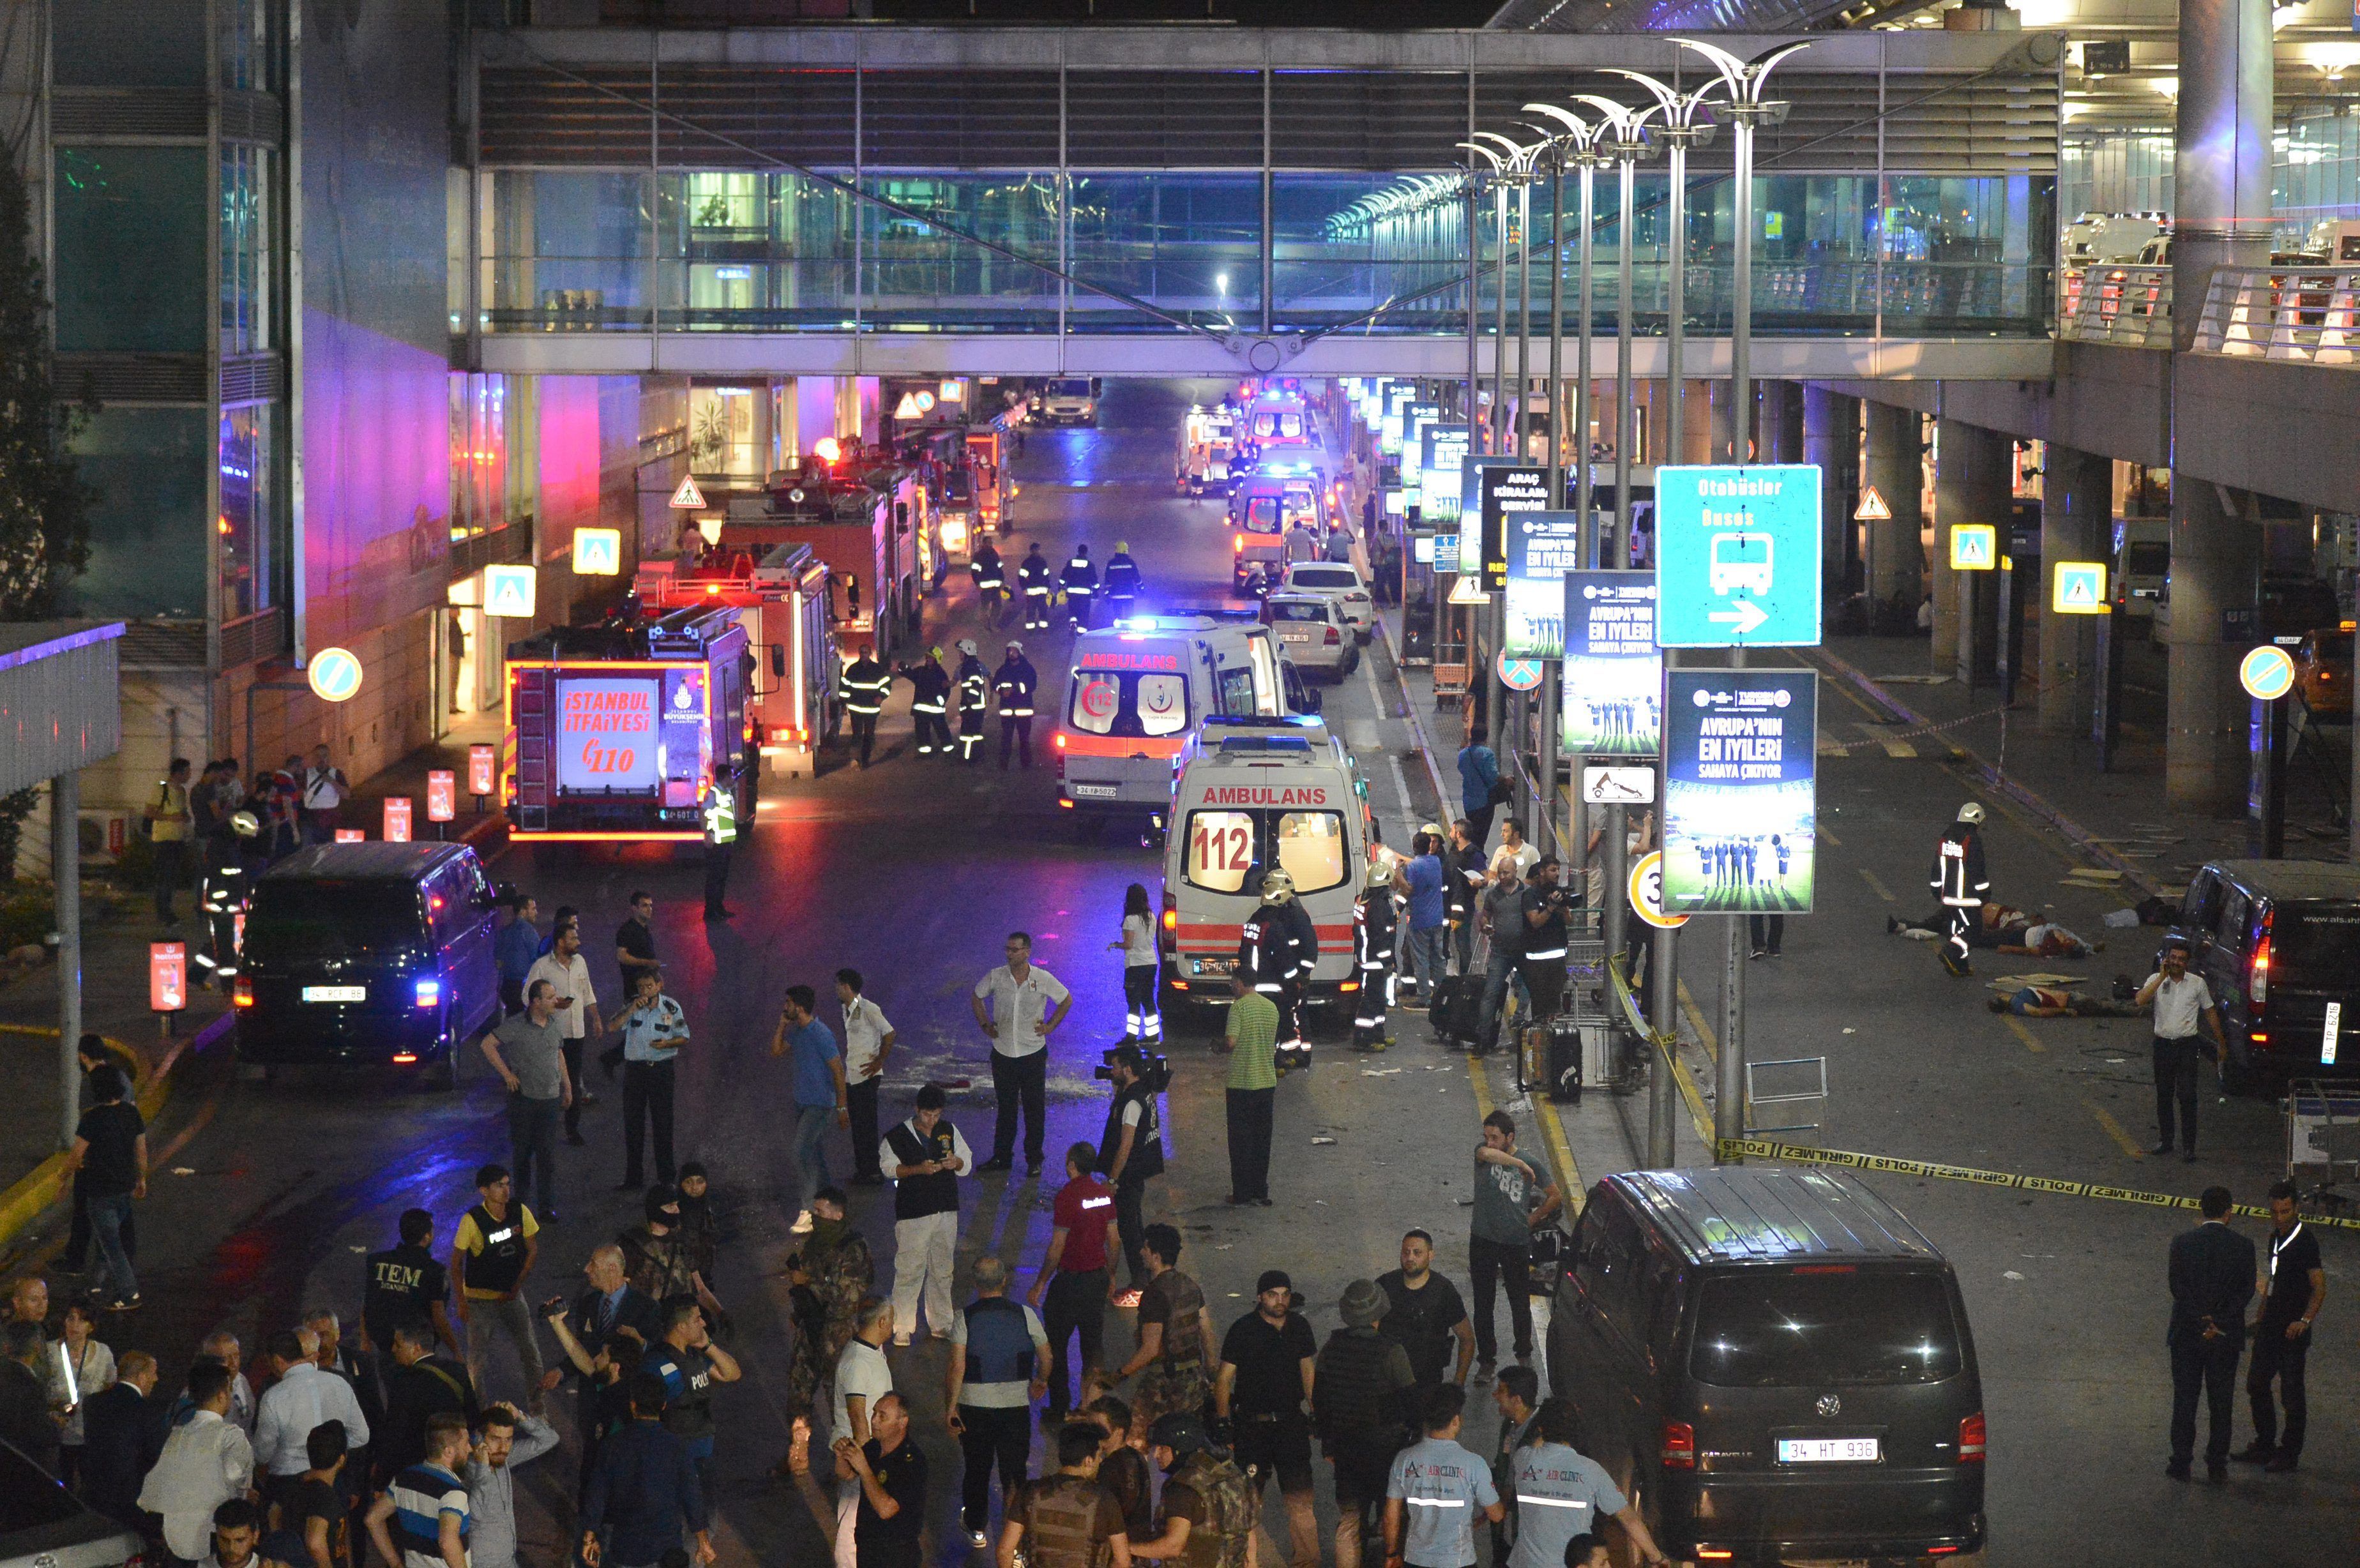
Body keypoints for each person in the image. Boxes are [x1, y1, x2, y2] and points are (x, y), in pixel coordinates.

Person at [1216, 1270, 1319, 1568]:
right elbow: (1224, 1379)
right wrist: (1225, 1423)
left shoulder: (1299, 1326)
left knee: (1301, 1505)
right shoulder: (1243, 1330)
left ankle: (1308, 1563)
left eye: (1285, 1295)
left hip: (1290, 1424)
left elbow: (1307, 1371)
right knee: (1249, 1506)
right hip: (1253, 1427)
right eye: (1273, 1295)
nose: (1280, 1301)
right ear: (1260, 1297)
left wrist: (1316, 1412)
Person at [1313, 1280, 1418, 1568]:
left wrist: (1328, 1443)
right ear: (1379, 1312)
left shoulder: (1330, 1349)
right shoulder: (1392, 1351)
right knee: (1391, 1514)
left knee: (1350, 1521)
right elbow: (1411, 1403)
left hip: (1346, 1448)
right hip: (1387, 1450)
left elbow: (1320, 1401)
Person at [948, 1256, 1048, 1547]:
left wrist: (951, 1408)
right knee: (1014, 1472)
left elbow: (957, 1367)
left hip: (974, 1406)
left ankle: (977, 1527)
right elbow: (1047, 1357)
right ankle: (1014, 1538)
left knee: (977, 1467)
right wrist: (1040, 1380)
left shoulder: (964, 1318)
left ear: (976, 1283)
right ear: (1004, 1281)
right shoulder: (1026, 1315)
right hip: (1015, 1406)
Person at [1505, 1399, 1669, 1568]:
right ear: (1575, 1430)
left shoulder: (1523, 1459)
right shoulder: (1591, 1470)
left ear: (1540, 1429)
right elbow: (1628, 1518)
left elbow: (1537, 1444)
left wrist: (1546, 1427)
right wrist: (1656, 1557)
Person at [2237, 1178, 2326, 1474]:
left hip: (2292, 1332)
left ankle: (2289, 1454)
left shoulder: (2306, 1243)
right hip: (2271, 1327)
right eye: (2275, 1212)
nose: (2279, 1218)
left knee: (2291, 1395)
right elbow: (2274, 1283)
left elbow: (2319, 1287)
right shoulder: (2275, 1238)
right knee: (2257, 1384)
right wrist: (2262, 1315)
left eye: (2285, 1211)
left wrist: (2304, 1321)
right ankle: (2265, 1444)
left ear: (2297, 1209)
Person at [2167, 1186, 2255, 1481]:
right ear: (2229, 1212)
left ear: (2201, 1209)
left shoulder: (2182, 1243)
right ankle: (2217, 1464)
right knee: (2221, 1402)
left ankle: (2181, 1462)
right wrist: (2219, 1322)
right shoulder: (2244, 1247)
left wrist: (2200, 1319)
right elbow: (2245, 1292)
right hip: (2224, 1337)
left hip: (2187, 1335)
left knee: (2185, 1400)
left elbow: (2178, 1288)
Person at [579, 1375, 713, 1568]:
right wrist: (703, 1542)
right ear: (664, 1406)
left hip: (627, 1547)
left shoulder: (613, 1446)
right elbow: (692, 1493)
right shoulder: (676, 1446)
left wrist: (589, 1537)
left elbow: (597, 1494)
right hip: (667, 1549)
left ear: (633, 1406)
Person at [972, 931, 1072, 1175]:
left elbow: (1066, 1000)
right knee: (1006, 1110)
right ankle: (1002, 1157)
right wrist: (985, 1024)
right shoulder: (997, 977)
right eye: (1007, 949)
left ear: (1027, 952)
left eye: (1014, 950)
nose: (1009, 954)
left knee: (1034, 1110)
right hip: (1004, 1053)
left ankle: (1034, 1159)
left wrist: (1050, 1026)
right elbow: (977, 997)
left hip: (1032, 1054)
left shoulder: (1042, 978)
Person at [450, 1164, 547, 1415]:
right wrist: (461, 1302)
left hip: (511, 1296)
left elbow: (532, 1249)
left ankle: (538, 1412)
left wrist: (516, 1287)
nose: (506, 1191)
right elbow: (456, 1263)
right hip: (479, 1300)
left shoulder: (519, 1211)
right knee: (477, 1363)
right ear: (484, 1191)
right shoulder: (472, 1221)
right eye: (499, 1186)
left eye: (507, 1184)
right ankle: (479, 1416)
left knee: (531, 1353)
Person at [1029, 1141, 1114, 1424]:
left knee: (1056, 1345)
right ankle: (1092, 1405)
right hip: (1096, 1280)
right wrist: (1110, 1275)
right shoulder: (1104, 1195)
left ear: (1072, 1165)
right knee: (1092, 1346)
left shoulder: (1067, 1197)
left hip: (1069, 1284)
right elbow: (1114, 1240)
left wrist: (1041, 1282)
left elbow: (1057, 1246)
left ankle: (1060, 1408)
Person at [879, 1083, 970, 1345]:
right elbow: (888, 1169)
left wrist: (957, 1163)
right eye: (928, 1115)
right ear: (917, 1110)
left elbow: (967, 1160)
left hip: (946, 1211)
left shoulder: (949, 1130)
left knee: (943, 1269)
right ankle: (903, 1327)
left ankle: (942, 1323)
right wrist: (918, 1169)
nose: (932, 1121)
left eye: (937, 1115)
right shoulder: (896, 1137)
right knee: (909, 1270)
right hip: (914, 1213)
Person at [140, 1361, 255, 1566]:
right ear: (222, 1395)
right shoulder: (230, 1436)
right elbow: (233, 1477)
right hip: (217, 1537)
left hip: (175, 1536)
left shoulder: (177, 1435)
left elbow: (157, 1486)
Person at [1382, 1385, 1502, 1568]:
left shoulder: (1404, 1460)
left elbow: (1391, 1516)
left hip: (1415, 1559)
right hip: (1459, 1560)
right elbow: (1497, 1515)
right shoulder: (1474, 1464)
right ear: (1455, 1421)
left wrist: (1391, 1553)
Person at [1114, 1225, 1214, 1435]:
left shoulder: (1154, 1294)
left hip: (1165, 1384)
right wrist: (1211, 1375)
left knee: (1134, 1441)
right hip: (1194, 1383)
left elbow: (1151, 1349)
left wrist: (1120, 1374)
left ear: (1156, 1256)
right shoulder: (1190, 1285)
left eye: (1145, 1248)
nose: (1141, 1253)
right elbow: (1206, 1332)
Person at [996, 1421, 1133, 1568]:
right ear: (1088, 1461)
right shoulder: (1105, 1500)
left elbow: (1005, 1551)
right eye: (1099, 1455)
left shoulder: (1030, 1492)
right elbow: (1122, 1560)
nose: (1100, 1461)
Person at [254, 1329, 370, 1501]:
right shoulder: (339, 1384)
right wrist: (330, 1451)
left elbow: (263, 1453)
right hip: (333, 1480)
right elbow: (362, 1436)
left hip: (289, 1486)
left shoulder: (274, 1396)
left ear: (277, 1361)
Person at [783, 1189, 872, 1417]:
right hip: (809, 1326)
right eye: (815, 1211)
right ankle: (798, 1447)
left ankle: (842, 1448)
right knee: (798, 1392)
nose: (815, 1216)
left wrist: (808, 1281)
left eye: (820, 1211)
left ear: (838, 1215)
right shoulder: (816, 1243)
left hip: (836, 1333)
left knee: (839, 1398)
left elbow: (847, 1299)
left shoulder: (852, 1248)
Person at [2137, 938, 2225, 1161]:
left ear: (2188, 963)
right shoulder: (2156, 980)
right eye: (2173, 958)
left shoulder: (2197, 984)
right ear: (2167, 959)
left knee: (2187, 1096)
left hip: (2187, 1046)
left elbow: (2210, 1012)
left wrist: (2221, 1042)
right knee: (2164, 1095)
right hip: (2163, 1045)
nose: (2176, 962)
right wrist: (2160, 977)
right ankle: (2166, 1141)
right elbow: (2140, 1000)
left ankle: (2189, 1147)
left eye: (2181, 959)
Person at [640, 1299, 741, 1491]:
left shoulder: (695, 1356)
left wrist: (709, 1346)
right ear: (681, 1326)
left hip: (702, 1450)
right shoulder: (656, 1363)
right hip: (672, 1456)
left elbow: (732, 1374)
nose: (703, 1323)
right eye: (697, 1319)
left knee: (704, 1513)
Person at [67, 1064, 144, 1311]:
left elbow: (76, 1154)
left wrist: (63, 1177)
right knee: (106, 1238)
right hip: (125, 1188)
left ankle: (130, 1293)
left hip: (100, 1192)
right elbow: (141, 1151)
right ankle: (96, 1284)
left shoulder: (92, 1118)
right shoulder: (132, 1114)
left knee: (111, 1244)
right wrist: (142, 1179)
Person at [1132, 1412, 1254, 1568]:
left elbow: (1172, 1547)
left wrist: (1125, 1549)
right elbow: (1249, 1534)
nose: (1156, 1455)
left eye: (1163, 1448)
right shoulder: (1230, 1477)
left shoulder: (1183, 1488)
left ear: (1180, 1448)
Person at [771, 985, 846, 1235]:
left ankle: (808, 1211)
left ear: (799, 1007)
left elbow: (837, 1070)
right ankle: (830, 1203)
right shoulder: (798, 1031)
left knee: (801, 1151)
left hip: (820, 1105)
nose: (785, 1007)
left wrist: (842, 1107)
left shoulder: (821, 1034)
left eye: (788, 1003)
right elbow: (777, 1051)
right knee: (814, 1155)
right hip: (802, 1104)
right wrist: (782, 1025)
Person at [523, 921, 600, 1152]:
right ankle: (543, 1129)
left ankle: (572, 1129)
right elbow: (527, 996)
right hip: (550, 1034)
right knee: (549, 1082)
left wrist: (595, 1018)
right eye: (573, 938)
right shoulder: (542, 966)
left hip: (576, 1033)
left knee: (573, 1081)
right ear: (560, 942)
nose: (578, 942)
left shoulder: (580, 963)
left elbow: (587, 992)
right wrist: (553, 1005)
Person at [830, 1300, 896, 1568]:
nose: (894, 1324)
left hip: (865, 1454)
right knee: (852, 1522)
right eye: (891, 1319)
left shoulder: (873, 1351)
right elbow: (858, 1416)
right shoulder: (857, 1362)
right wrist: (870, 1462)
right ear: (881, 1322)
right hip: (857, 1454)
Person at [375, 1319, 478, 1488]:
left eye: (398, 1345)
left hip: (417, 1469)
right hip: (454, 1464)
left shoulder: (403, 1381)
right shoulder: (457, 1371)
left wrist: (383, 1477)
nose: (393, 1350)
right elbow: (473, 1417)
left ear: (416, 1348)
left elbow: (395, 1433)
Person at [1098, 1043, 1166, 1286]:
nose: (1111, 1071)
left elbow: (1124, 1146)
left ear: (1127, 1069)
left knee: (1129, 1230)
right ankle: (1144, 1277)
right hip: (1139, 1170)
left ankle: (1140, 1282)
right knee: (1134, 1223)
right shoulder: (1141, 1091)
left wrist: (1113, 1180)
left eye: (1115, 1067)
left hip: (1128, 1174)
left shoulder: (1132, 1103)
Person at [835, 1390, 927, 1568]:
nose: (874, 1420)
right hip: (868, 1547)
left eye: (882, 1416)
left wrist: (865, 1469)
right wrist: (841, 1457)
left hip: (895, 1555)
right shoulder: (874, 1447)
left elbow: (886, 1509)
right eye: (875, 1413)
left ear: (902, 1422)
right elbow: (846, 1474)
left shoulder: (912, 1463)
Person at [616, 969, 688, 1191]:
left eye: (649, 986)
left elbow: (683, 1036)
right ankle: (633, 1178)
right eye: (641, 987)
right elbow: (613, 1026)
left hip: (661, 1071)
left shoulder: (671, 1008)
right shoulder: (632, 1006)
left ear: (659, 985)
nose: (645, 991)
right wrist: (630, 1010)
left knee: (663, 1124)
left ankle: (666, 1177)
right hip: (636, 1071)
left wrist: (666, 1044)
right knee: (633, 1125)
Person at [1378, 1229, 1474, 1394]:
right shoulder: (1385, 1285)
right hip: (1388, 1383)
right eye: (1406, 1252)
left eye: (1417, 1253)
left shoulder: (1444, 1291)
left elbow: (1467, 1339)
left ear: (1431, 1256)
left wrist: (1457, 1386)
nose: (1410, 1258)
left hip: (1428, 1383)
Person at [461, 1404, 556, 1568]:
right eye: (495, 1439)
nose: (503, 1447)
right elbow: (477, 1513)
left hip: (508, 1560)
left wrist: (519, 1416)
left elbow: (550, 1439)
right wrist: (483, 1466)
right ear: (479, 1437)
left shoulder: (502, 1459)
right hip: (483, 1564)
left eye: (508, 1439)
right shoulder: (470, 1469)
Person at [80, 1348, 167, 1526]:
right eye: (153, 1373)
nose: (156, 1379)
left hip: (94, 1493)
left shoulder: (93, 1403)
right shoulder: (148, 1411)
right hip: (129, 1498)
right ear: (141, 1377)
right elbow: (155, 1456)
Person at [1239, 870, 1317, 1063]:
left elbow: (1243, 952)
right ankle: (1291, 1056)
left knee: (1274, 1022)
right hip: (1276, 983)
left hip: (1254, 983)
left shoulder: (1254, 920)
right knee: (1286, 1019)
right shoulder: (1275, 925)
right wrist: (1297, 979)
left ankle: (1288, 1054)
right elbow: (1284, 957)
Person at [363, 1210, 457, 1362]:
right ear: (427, 1237)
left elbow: (368, 1304)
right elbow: (438, 1316)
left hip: (383, 1345)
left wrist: (365, 1342)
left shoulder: (376, 1261)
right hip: (416, 1349)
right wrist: (456, 1351)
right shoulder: (435, 1271)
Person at [837, 970, 896, 1186]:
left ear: (846, 987)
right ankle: (864, 1170)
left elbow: (889, 1033)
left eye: (838, 986)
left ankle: (871, 1172)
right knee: (860, 1126)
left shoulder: (869, 1009)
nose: (836, 990)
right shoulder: (847, 1010)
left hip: (867, 1077)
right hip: (854, 1076)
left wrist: (879, 1061)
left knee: (867, 1126)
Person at [1082, 1396, 1155, 1546]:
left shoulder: (1113, 1468)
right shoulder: (1136, 1457)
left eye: (1100, 1429)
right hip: (1135, 1546)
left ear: (1119, 1432)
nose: (1093, 1434)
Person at [1928, 802, 1990, 977]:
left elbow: (1937, 866)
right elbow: (1978, 869)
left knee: (1958, 927)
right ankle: (1952, 952)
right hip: (1967, 897)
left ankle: (1961, 963)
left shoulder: (1946, 836)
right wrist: (1985, 893)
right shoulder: (1972, 840)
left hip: (1947, 895)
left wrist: (1936, 888)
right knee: (1973, 930)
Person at [283, 1422, 350, 1568]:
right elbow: (314, 1542)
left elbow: (274, 1514)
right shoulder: (326, 1498)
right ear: (341, 1459)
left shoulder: (295, 1482)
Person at [1352, 861, 1400, 1052]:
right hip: (1376, 961)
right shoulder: (1378, 905)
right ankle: (1364, 1038)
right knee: (1371, 1000)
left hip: (1368, 958)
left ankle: (1378, 1032)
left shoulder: (1364, 899)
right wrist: (1388, 961)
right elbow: (1381, 936)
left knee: (1377, 999)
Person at [0, 1321, 55, 1474]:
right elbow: (38, 1433)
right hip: (23, 1465)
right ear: (37, 1347)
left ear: (6, 1347)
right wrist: (57, 1426)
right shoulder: (31, 1385)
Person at [1400, 834, 1448, 1008]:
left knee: (1421, 960)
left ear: (1414, 846)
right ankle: (1441, 995)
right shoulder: (1435, 862)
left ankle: (1424, 998)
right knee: (1438, 958)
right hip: (1437, 918)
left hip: (1419, 919)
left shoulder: (1413, 867)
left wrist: (1398, 873)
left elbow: (1408, 889)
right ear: (1429, 846)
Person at [146, 757, 194, 924]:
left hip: (178, 839)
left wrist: (185, 818)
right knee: (165, 878)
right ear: (179, 773)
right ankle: (164, 914)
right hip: (163, 840)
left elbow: (182, 811)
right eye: (188, 772)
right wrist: (172, 818)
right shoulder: (162, 788)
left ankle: (168, 910)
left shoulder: (181, 791)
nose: (190, 775)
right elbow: (150, 812)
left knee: (172, 878)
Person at [1113, 884, 1163, 1044]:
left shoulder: (1130, 919)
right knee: (1148, 998)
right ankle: (1153, 1035)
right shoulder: (1151, 917)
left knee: (1133, 1001)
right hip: (1151, 963)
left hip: (1135, 965)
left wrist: (1115, 945)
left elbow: (1128, 944)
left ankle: (1131, 1037)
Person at [897, 647, 955, 758]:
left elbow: (946, 690)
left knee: (941, 729)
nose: (928, 659)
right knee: (922, 732)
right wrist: (903, 669)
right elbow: (910, 674)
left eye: (931, 657)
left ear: (937, 659)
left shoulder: (941, 674)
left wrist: (940, 701)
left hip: (935, 709)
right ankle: (925, 752)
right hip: (921, 710)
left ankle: (948, 749)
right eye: (927, 657)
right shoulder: (921, 671)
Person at [994, 640, 1040, 770]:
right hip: (1007, 711)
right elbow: (995, 684)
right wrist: (1001, 691)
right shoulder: (1003, 670)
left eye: (1014, 651)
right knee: (1006, 739)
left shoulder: (1027, 669)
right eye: (1009, 651)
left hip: (1023, 711)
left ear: (1020, 652)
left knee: (1024, 739)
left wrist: (1015, 690)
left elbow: (1032, 685)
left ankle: (1026, 764)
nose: (1012, 653)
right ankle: (1003, 764)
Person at [842, 649, 889, 769]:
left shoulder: (877, 669)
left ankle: (865, 759)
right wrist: (844, 703)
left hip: (871, 709)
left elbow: (887, 686)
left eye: (866, 652)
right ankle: (855, 759)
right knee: (856, 735)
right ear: (859, 654)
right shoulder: (853, 669)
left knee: (869, 735)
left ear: (870, 654)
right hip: (856, 709)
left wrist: (881, 697)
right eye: (862, 652)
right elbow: (845, 688)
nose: (864, 655)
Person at [494, 896, 540, 1017]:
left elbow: (498, 961)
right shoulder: (528, 932)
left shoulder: (504, 932)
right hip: (522, 987)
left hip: (506, 987)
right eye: (533, 909)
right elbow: (538, 960)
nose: (536, 913)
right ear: (523, 911)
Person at [1458, 726, 1502, 851]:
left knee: (1471, 833)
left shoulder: (1463, 754)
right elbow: (1493, 776)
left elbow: (1461, 769)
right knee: (1481, 837)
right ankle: (1477, 859)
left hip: (1468, 801)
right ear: (1485, 737)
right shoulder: (1487, 753)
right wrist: (1505, 779)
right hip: (1485, 801)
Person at [301, 745, 349, 845]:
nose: (321, 759)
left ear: (329, 757)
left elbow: (346, 795)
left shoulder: (336, 774)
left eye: (324, 756)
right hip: (311, 820)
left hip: (330, 822)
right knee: (308, 853)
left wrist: (332, 782)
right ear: (314, 758)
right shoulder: (306, 774)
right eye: (318, 756)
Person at [954, 638, 992, 764]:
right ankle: (976, 755)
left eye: (961, 653)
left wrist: (969, 702)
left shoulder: (969, 668)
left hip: (971, 707)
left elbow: (974, 685)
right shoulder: (973, 666)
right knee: (975, 732)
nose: (959, 655)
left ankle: (967, 757)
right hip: (975, 706)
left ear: (968, 652)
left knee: (967, 733)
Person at [1017, 541, 1055, 633]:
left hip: (1037, 591)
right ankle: (1035, 629)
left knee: (1039, 610)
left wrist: (1048, 587)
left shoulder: (1029, 562)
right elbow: (1022, 577)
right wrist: (1024, 588)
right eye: (1036, 550)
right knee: (1034, 611)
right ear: (1032, 550)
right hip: (1035, 591)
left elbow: (1046, 576)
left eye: (1037, 550)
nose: (1037, 551)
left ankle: (1039, 629)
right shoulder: (1038, 562)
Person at [1061, 543, 1098, 631]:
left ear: (1078, 551)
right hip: (1085, 595)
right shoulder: (1090, 565)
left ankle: (1073, 621)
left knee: (1073, 609)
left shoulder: (1071, 562)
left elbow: (1064, 575)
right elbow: (1094, 579)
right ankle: (1081, 632)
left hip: (1072, 593)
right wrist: (1096, 590)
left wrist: (1061, 585)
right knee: (1084, 613)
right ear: (1086, 552)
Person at [1102, 541, 1142, 622]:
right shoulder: (1131, 562)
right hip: (1128, 595)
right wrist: (1141, 589)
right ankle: (1129, 630)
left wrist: (1107, 594)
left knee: (1118, 617)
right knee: (1130, 617)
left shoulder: (1111, 563)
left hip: (1115, 595)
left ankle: (1118, 630)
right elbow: (1137, 577)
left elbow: (1108, 580)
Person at [971, 539, 1008, 628]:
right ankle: (986, 625)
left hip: (996, 586)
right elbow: (974, 572)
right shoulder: (979, 556)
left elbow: (999, 569)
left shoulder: (994, 554)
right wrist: (977, 584)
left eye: (991, 543)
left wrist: (1002, 581)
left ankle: (993, 624)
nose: (990, 544)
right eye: (988, 543)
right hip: (985, 587)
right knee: (985, 606)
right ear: (984, 544)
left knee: (997, 606)